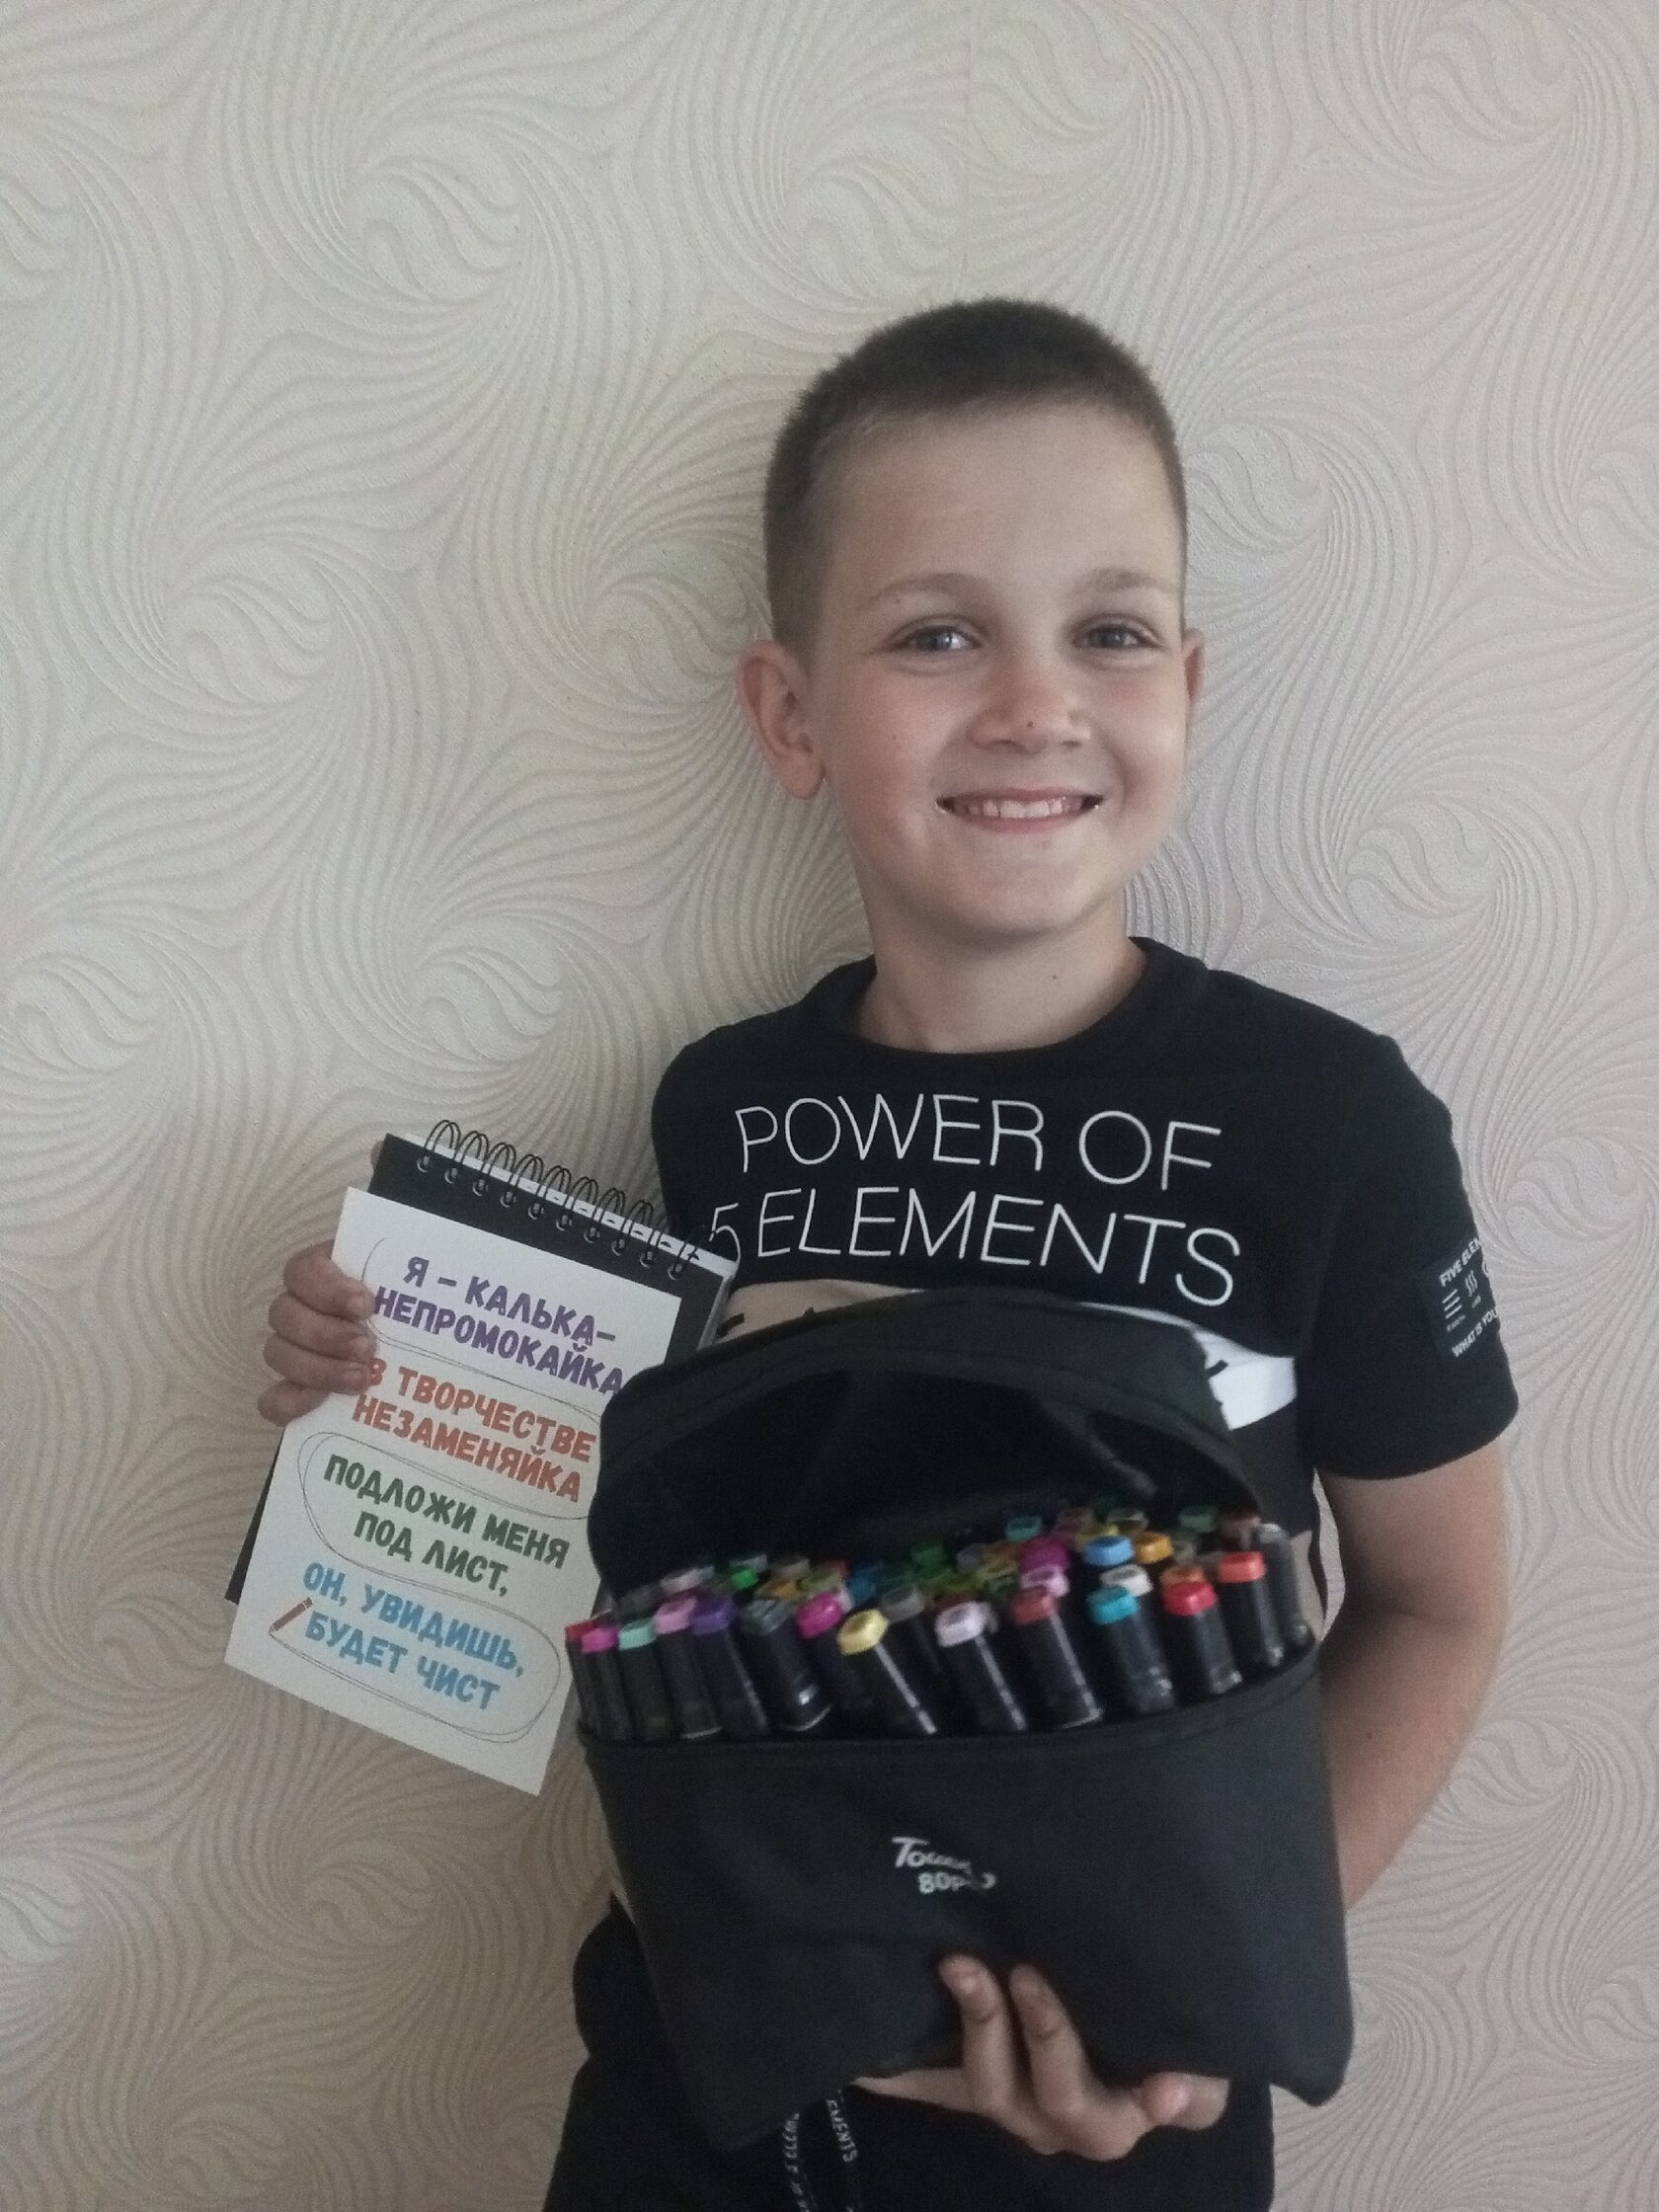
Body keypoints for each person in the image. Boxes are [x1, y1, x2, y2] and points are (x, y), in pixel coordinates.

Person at [258, 298, 1519, 2211]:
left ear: (1188, 683)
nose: (1034, 704)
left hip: (1112, 2126)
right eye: (939, 633)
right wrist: (378, 1390)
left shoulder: (1332, 1123)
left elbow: (1440, 1605)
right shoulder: (720, 1110)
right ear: (789, 714)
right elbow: (659, 1548)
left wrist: (1204, 1984)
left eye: (1110, 631)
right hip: (708, 2091)